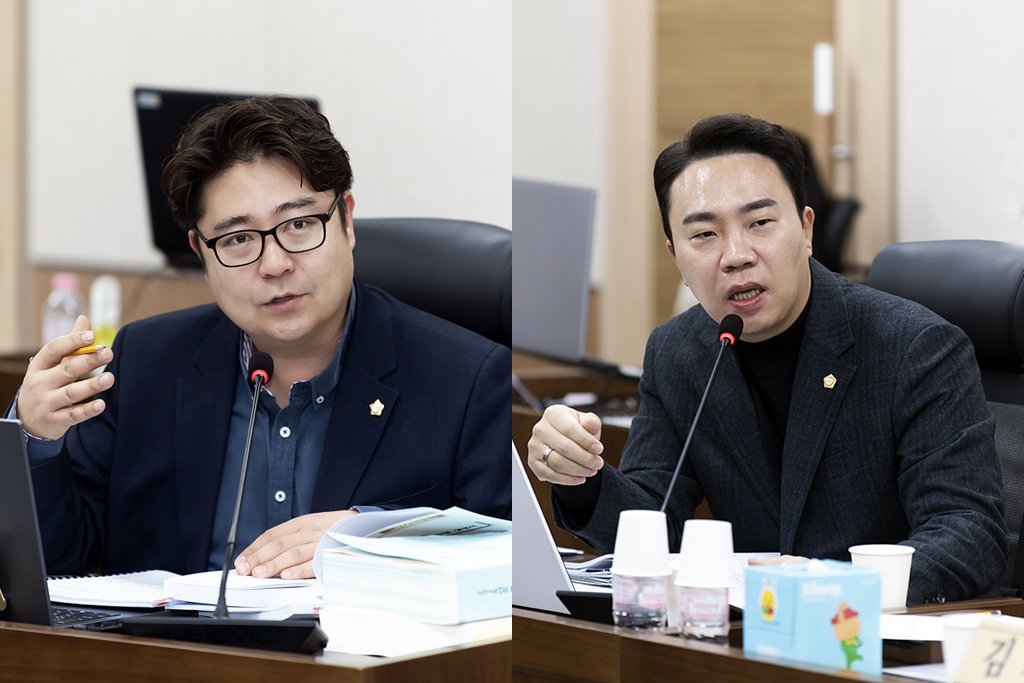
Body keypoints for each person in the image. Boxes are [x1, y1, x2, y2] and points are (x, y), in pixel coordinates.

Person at [12, 97, 510, 579]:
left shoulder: (464, 379)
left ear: (347, 220)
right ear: (200, 252)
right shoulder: (145, 362)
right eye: (238, 239)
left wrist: (372, 539)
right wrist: (34, 436)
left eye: (299, 224)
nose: (274, 264)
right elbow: (61, 560)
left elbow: (503, 562)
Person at [528, 113, 1007, 604]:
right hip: (750, 631)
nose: (736, 255)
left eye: (759, 223)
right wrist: (580, 476)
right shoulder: (678, 351)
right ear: (676, 258)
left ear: (806, 229)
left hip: (873, 630)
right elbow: (655, 521)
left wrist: (833, 586)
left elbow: (968, 532)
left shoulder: (914, 346)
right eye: (704, 235)